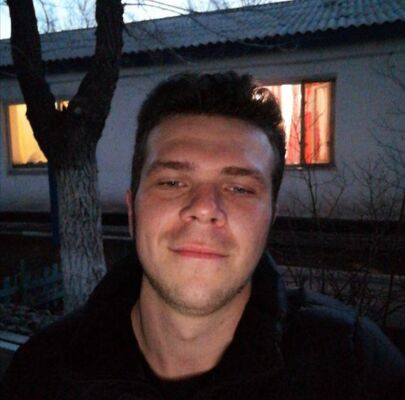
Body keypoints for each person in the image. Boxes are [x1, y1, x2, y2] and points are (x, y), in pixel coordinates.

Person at [2, 72, 404, 400]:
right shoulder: (42, 373)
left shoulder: (355, 369)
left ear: (271, 219)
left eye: (240, 188)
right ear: (132, 210)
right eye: (172, 182)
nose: (205, 207)